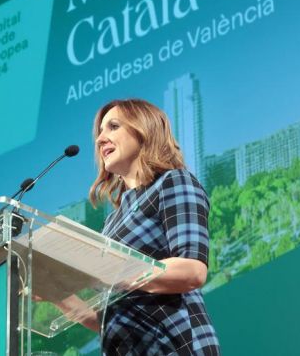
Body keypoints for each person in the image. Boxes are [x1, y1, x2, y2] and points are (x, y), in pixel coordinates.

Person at [88, 98, 221, 355]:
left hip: (176, 346)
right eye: (100, 131)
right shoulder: (112, 222)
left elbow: (193, 270)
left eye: (113, 126)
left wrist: (117, 272)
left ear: (144, 130)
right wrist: (56, 294)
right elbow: (111, 316)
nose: (100, 139)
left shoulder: (172, 182)